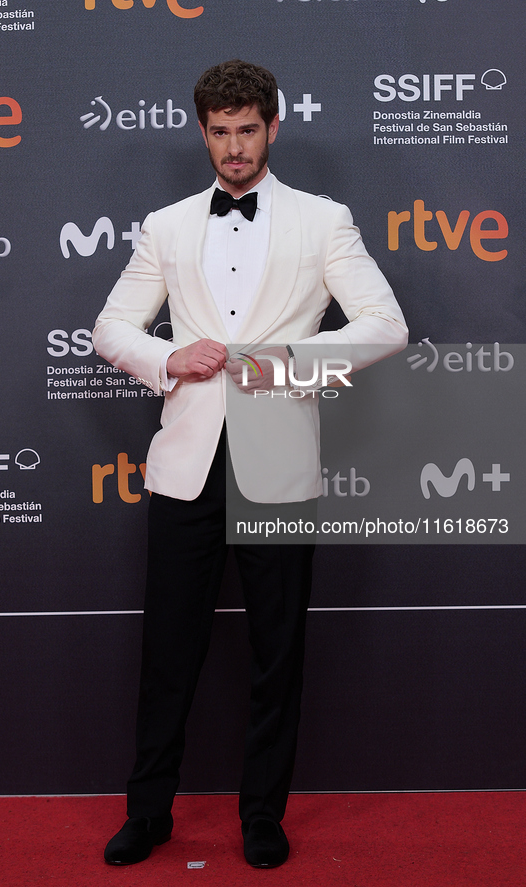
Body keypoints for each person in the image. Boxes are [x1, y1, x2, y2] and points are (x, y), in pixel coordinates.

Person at [92, 59, 407, 868]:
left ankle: (262, 815)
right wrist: (169, 357)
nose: (234, 147)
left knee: (277, 650)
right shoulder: (164, 226)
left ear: (273, 125)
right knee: (168, 650)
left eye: (247, 129)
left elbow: (383, 325)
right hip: (186, 466)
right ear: (203, 131)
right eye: (219, 131)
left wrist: (287, 360)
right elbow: (111, 328)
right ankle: (149, 811)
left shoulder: (321, 220)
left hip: (277, 460)